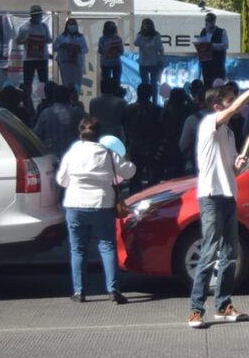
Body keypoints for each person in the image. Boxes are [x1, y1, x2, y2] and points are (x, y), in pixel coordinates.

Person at [188, 71, 249, 328]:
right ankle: (196, 309)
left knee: (230, 254)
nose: (236, 104)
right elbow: (237, 107)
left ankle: (223, 304)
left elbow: (230, 170)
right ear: (218, 107)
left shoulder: (228, 134)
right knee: (209, 252)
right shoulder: (210, 123)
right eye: (230, 100)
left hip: (229, 195)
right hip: (211, 196)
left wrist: (238, 165)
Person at [56, 117, 136, 303]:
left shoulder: (71, 153)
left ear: (80, 133)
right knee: (107, 247)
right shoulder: (108, 154)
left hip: (75, 204)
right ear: (100, 135)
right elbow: (130, 171)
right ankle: (113, 289)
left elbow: (62, 180)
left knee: (78, 249)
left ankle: (79, 291)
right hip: (102, 204)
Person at [123, 83, 163, 193]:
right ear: (150, 94)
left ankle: (134, 202)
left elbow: (125, 128)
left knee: (135, 178)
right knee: (152, 179)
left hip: (135, 146)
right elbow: (161, 130)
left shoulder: (128, 109)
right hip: (152, 147)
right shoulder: (157, 109)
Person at [34, 84, 86, 157]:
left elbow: (37, 135)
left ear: (54, 97)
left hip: (52, 156)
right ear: (69, 97)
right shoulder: (78, 113)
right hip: (74, 155)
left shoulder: (45, 113)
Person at [16, 5, 51, 96]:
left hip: (42, 58)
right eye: (37, 15)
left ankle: (45, 100)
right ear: (32, 15)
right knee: (27, 82)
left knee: (43, 82)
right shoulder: (24, 27)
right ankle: (27, 100)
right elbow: (18, 41)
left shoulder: (44, 26)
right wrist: (26, 40)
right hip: (29, 59)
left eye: (40, 15)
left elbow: (49, 39)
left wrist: (42, 40)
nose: (39, 17)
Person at [161, 88, 194, 179]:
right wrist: (188, 98)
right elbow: (194, 107)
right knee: (180, 167)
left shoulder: (166, 110)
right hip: (182, 139)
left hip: (169, 141)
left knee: (170, 167)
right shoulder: (186, 109)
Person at [52, 18, 88, 94]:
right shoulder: (61, 37)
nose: (72, 26)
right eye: (70, 24)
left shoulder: (81, 37)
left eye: (74, 25)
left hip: (77, 64)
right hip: (65, 64)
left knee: (77, 84)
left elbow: (86, 49)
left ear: (76, 26)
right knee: (66, 83)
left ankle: (76, 100)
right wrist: (62, 46)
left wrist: (79, 49)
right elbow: (54, 47)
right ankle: (67, 100)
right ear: (67, 26)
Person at [134, 18, 165, 104]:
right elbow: (135, 43)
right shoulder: (140, 35)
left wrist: (162, 59)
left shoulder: (156, 35)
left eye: (148, 24)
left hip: (153, 62)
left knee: (153, 83)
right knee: (144, 82)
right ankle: (144, 100)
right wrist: (141, 34)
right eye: (144, 24)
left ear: (151, 25)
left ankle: (154, 101)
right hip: (143, 63)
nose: (146, 26)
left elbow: (160, 48)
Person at [197, 13, 229, 88]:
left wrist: (212, 46)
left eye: (209, 20)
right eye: (206, 20)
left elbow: (225, 45)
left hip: (217, 64)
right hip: (206, 64)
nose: (207, 22)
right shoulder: (203, 31)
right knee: (207, 86)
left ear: (214, 21)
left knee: (218, 86)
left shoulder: (221, 32)